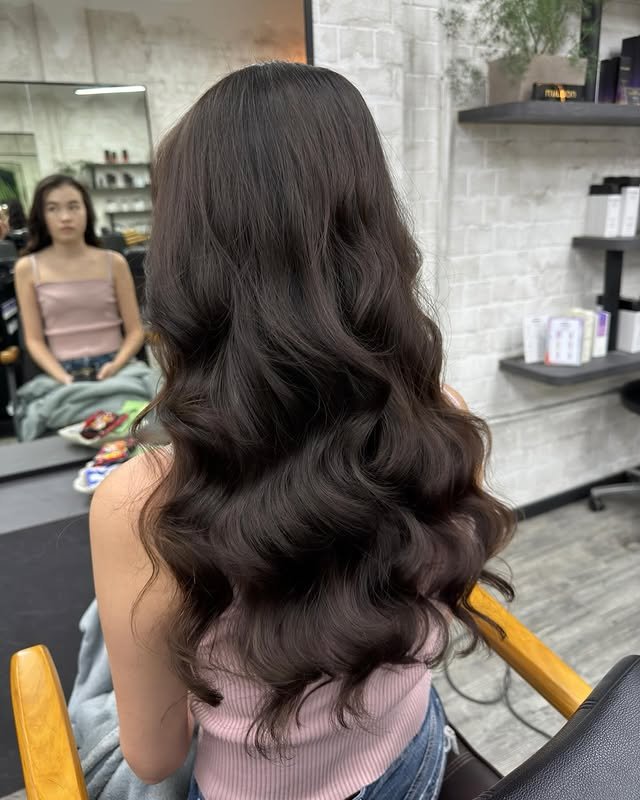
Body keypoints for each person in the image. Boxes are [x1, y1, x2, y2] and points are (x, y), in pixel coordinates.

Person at [90, 62, 515, 800]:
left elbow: (154, 759)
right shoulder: (439, 420)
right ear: (374, 229)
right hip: (414, 754)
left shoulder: (141, 504)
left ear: (186, 259)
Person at [13, 175, 144, 385]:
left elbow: (135, 331)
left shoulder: (115, 263)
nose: (65, 217)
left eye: (73, 206)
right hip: (59, 374)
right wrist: (64, 378)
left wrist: (116, 366)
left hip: (118, 368)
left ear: (87, 211)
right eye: (53, 208)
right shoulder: (27, 269)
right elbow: (34, 340)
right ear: (42, 216)